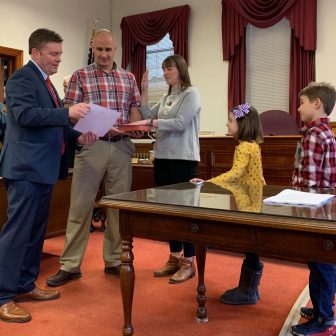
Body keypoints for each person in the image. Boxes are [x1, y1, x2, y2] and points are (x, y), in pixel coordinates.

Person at [0, 28, 97, 323]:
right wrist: (67, 113)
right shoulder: (21, 79)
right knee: (17, 234)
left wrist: (77, 137)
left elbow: (50, 122)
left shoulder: (47, 83)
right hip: (26, 169)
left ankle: (25, 285)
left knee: (34, 233)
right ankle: (3, 296)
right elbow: (25, 115)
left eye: (60, 54)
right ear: (36, 53)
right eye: (53, 54)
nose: (58, 59)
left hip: (42, 169)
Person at [47, 29, 142, 287]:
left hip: (122, 147)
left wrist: (139, 126)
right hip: (92, 146)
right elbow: (69, 112)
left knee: (117, 209)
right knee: (80, 207)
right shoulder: (80, 75)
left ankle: (113, 260)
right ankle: (70, 265)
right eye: (99, 49)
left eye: (108, 50)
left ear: (115, 49)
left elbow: (133, 109)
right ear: (92, 47)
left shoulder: (128, 78)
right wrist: (91, 124)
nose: (103, 54)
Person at [130, 55, 201, 283]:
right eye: (163, 69)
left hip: (183, 159)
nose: (165, 73)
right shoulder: (167, 96)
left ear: (179, 69)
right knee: (167, 211)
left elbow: (180, 123)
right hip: (162, 158)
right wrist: (143, 90)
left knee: (184, 212)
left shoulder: (191, 93)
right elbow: (148, 114)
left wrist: (152, 124)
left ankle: (189, 261)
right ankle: (174, 256)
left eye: (168, 68)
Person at [191, 103, 265, 304]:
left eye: (231, 120)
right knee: (252, 246)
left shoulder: (243, 147)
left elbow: (236, 174)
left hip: (247, 203)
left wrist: (208, 182)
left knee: (249, 245)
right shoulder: (253, 145)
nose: (227, 123)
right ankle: (250, 288)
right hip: (254, 199)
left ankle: (248, 291)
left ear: (243, 124)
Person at [290, 82, 336, 336]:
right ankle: (321, 305)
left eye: (302, 103)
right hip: (323, 210)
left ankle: (325, 319)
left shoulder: (314, 136)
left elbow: (308, 183)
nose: (298, 109)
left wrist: (293, 201)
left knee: (322, 265)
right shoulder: (322, 133)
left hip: (314, 211)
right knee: (319, 263)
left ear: (317, 103)